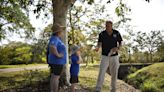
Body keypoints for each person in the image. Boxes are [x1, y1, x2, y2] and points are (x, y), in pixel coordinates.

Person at [95, 21, 123, 92]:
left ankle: (113, 89)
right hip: (105, 56)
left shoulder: (116, 33)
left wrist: (118, 48)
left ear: (111, 26)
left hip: (114, 56)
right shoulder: (102, 34)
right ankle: (98, 89)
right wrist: (98, 47)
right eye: (106, 26)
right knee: (101, 72)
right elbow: (99, 43)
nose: (107, 27)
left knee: (114, 73)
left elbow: (121, 42)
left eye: (108, 26)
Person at [48, 23, 66, 92]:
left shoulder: (56, 39)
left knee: (53, 77)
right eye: (61, 30)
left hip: (55, 62)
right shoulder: (55, 38)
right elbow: (52, 47)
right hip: (57, 62)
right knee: (56, 78)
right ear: (59, 32)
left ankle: (52, 91)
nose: (62, 32)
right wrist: (58, 55)